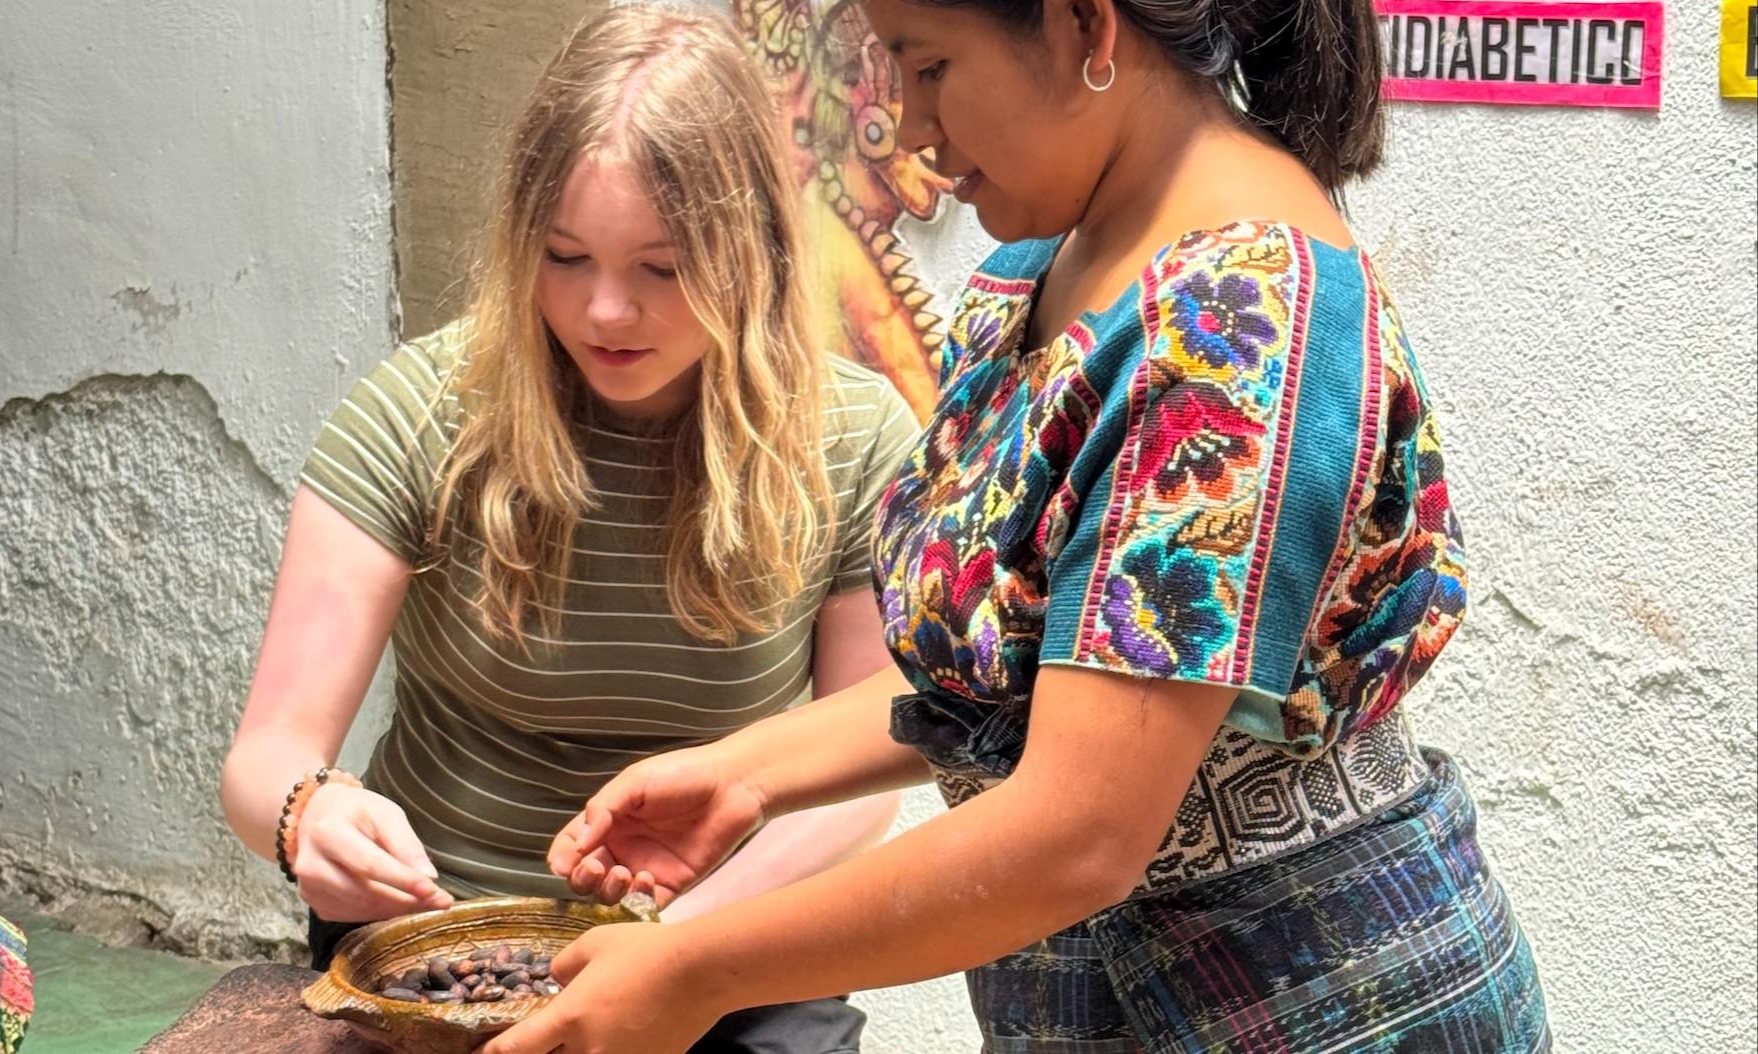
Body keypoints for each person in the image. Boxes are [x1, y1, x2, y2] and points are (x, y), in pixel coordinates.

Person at [502, 1, 1552, 1052]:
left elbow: (1079, 830)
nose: (911, 126)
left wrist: (695, 967)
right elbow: (1031, 682)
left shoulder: (1240, 318)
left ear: (1085, 28)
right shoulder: (1040, 267)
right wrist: (749, 772)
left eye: (930, 66)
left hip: (1313, 1007)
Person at [217, 6, 922, 1051]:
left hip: (731, 945)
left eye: (663, 267)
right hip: (440, 940)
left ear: (755, 248)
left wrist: (672, 947)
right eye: (563, 256)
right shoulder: (424, 410)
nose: (603, 311)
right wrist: (305, 814)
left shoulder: (856, 437)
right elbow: (269, 750)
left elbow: (865, 775)